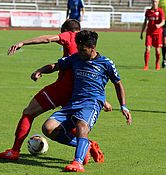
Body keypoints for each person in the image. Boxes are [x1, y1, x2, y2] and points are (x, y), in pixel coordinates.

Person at [0, 19, 111, 162]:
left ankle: (14, 151)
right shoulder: (88, 46)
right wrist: (102, 100)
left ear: (64, 30)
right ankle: (87, 145)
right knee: (71, 124)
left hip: (62, 88)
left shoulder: (69, 35)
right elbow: (93, 75)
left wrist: (23, 42)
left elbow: (47, 39)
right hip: (79, 93)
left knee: (28, 113)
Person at [32, 30, 132, 172]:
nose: (79, 51)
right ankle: (87, 145)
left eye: (83, 49)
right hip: (73, 102)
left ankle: (77, 162)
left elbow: (118, 84)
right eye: (78, 48)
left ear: (92, 48)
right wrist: (40, 70)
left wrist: (124, 106)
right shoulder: (75, 58)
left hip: (92, 103)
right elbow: (56, 65)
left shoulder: (106, 63)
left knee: (81, 126)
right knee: (48, 128)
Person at [140, 0, 165, 71]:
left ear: (158, 2)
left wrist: (159, 25)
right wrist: (141, 32)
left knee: (157, 51)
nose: (154, 3)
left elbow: (163, 22)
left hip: (158, 33)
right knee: (147, 48)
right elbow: (145, 22)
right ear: (151, 2)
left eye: (156, 1)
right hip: (149, 33)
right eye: (153, 1)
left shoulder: (160, 11)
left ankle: (157, 64)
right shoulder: (148, 11)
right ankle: (146, 65)